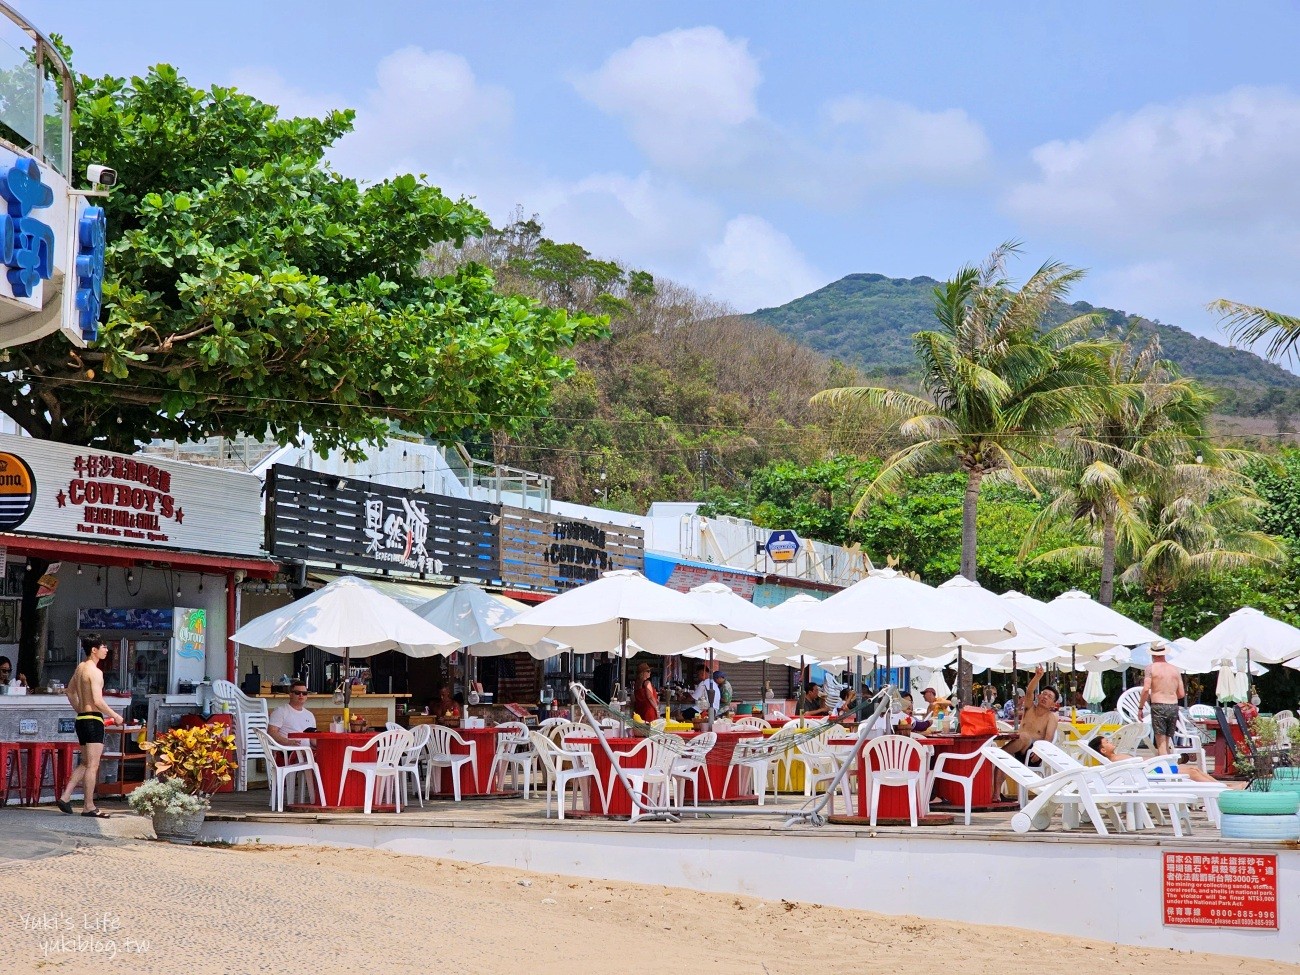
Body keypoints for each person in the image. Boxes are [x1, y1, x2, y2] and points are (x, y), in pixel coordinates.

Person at [56, 638, 124, 817]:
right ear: (94, 650)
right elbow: (97, 701)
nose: (106, 650)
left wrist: (80, 708)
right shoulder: (95, 671)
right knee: (93, 765)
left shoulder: (80, 668)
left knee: (86, 763)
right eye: (103, 647)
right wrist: (115, 715)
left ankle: (65, 796)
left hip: (82, 719)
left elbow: (70, 692)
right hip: (93, 719)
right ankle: (89, 806)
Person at [1089, 735, 1216, 782]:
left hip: (1154, 769)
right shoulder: (1115, 761)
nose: (1110, 742)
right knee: (1192, 772)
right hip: (1151, 773)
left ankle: (1219, 785)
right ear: (1103, 750)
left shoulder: (1117, 757)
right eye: (1107, 742)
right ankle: (1221, 789)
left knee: (1193, 768)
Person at [1137, 641, 1184, 756]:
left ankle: (1166, 770)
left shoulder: (1151, 668)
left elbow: (1145, 689)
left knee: (1161, 743)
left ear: (1152, 655)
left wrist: (1140, 707)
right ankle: (1170, 767)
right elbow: (1181, 693)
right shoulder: (1175, 670)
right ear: (1164, 654)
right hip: (1173, 706)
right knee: (1167, 741)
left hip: (1158, 705)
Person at [1003, 665, 1059, 762]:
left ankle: (1000, 754)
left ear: (1053, 704)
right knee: (1004, 761)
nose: (1045, 697)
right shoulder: (1029, 709)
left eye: (1049, 697)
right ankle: (1000, 758)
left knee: (1025, 736)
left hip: (1033, 753)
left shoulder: (1051, 718)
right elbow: (1029, 692)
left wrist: (1041, 752)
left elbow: (1048, 738)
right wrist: (1037, 676)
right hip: (1017, 746)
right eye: (1044, 694)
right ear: (1038, 696)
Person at [267, 680, 317, 745]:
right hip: (287, 751)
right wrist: (287, 742)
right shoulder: (280, 711)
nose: (301, 695)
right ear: (290, 694)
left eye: (304, 693)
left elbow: (312, 739)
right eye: (297, 692)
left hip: (306, 752)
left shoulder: (310, 715)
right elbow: (272, 732)